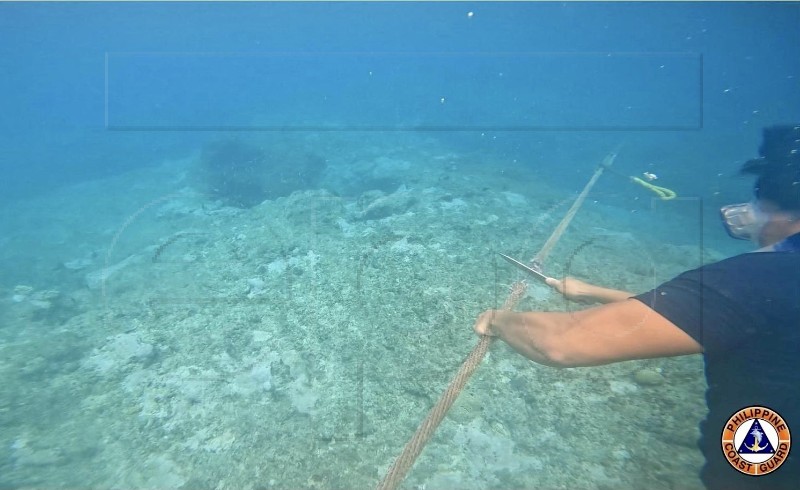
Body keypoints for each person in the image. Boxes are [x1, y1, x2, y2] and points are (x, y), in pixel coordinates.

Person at [473, 124, 800, 489]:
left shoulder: (754, 280)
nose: (750, 213)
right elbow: (701, 315)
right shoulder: (764, 289)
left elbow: (562, 342)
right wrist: (593, 291)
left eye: (760, 200)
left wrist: (497, 320)